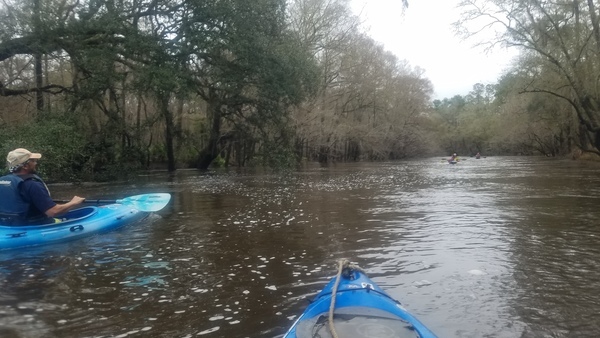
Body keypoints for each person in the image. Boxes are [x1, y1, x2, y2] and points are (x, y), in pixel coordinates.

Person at [0, 148, 85, 225]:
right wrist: (73, 202)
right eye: (32, 161)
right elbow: (53, 212)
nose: (36, 163)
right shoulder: (33, 185)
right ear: (25, 166)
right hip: (33, 226)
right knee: (66, 220)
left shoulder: (3, 181)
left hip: (7, 225)